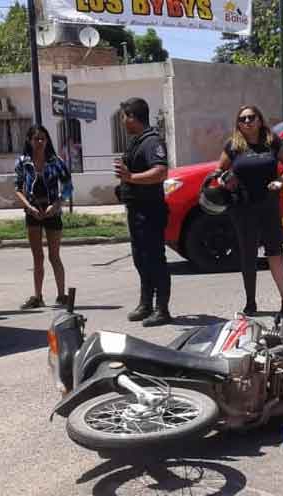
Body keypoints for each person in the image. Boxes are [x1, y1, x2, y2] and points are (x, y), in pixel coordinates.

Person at [215, 105, 283, 317]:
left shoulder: (271, 141)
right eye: (242, 119)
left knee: (275, 252)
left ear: (260, 120)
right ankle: (250, 303)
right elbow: (219, 171)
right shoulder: (233, 145)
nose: (247, 122)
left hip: (268, 205)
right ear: (238, 124)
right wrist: (226, 180)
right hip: (243, 208)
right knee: (248, 255)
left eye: (251, 117)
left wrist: (280, 181)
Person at [114, 97, 173, 327]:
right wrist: (124, 186)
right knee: (141, 259)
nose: (122, 122)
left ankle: (162, 308)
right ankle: (146, 303)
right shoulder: (137, 141)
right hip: (136, 209)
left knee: (155, 259)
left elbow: (160, 172)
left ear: (132, 116)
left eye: (124, 117)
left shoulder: (152, 142)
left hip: (150, 211)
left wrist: (130, 178)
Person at [14, 125, 73, 309]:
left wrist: (56, 205)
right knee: (37, 257)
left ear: (47, 140)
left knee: (54, 256)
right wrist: (29, 207)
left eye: (43, 138)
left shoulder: (56, 161)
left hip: (52, 212)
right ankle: (38, 296)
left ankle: (62, 295)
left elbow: (68, 187)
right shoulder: (23, 162)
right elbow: (17, 188)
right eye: (36, 139)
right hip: (33, 212)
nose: (39, 142)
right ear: (29, 141)